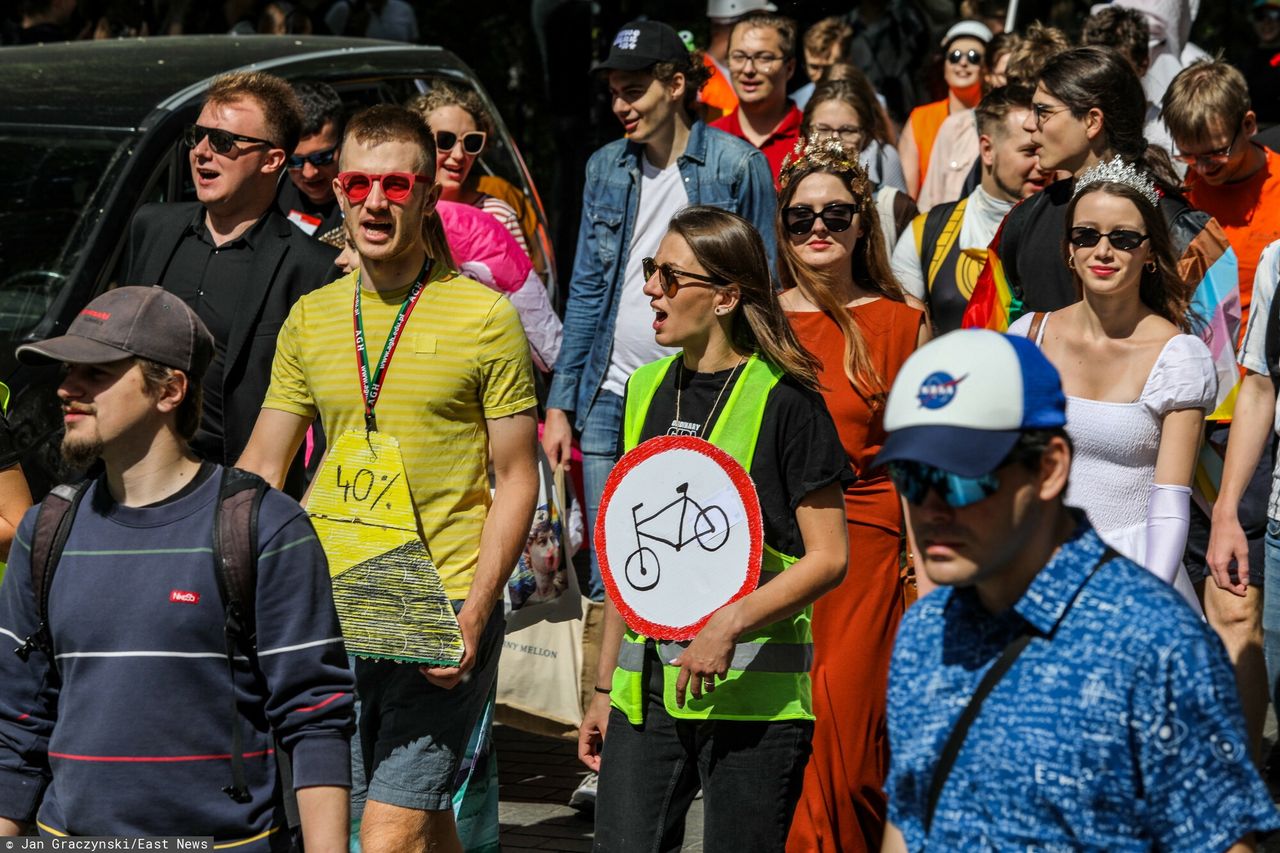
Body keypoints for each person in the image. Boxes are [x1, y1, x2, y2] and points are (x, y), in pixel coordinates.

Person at [236, 104, 539, 853]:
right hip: (332, 605)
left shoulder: (484, 317)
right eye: (359, 183)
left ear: (430, 193)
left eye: (397, 185)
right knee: (391, 827)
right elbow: (262, 468)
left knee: (385, 833)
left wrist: (474, 613)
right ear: (337, 190)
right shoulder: (310, 318)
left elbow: (517, 478)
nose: (375, 202)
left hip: (438, 606)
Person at [875, 328, 1280, 851]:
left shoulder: (1156, 646)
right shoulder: (926, 632)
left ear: (1049, 468)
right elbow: (908, 824)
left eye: (962, 477)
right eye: (912, 476)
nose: (931, 508)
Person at [0, 286, 354, 846]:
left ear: (169, 390)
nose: (67, 389)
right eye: (68, 372)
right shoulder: (46, 531)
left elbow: (315, 718)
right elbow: (15, 720)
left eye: (96, 374)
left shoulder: (264, 527)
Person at [578, 205, 851, 852]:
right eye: (651, 271)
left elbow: (830, 556)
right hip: (643, 698)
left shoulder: (788, 399)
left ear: (726, 295)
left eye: (670, 276)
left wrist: (728, 623)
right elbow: (627, 552)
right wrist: (601, 688)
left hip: (752, 704)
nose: (650, 288)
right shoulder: (643, 389)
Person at [542, 20, 775, 603]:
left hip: (696, 386)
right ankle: (608, 694)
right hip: (609, 386)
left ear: (674, 85)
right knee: (606, 570)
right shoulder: (604, 167)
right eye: (614, 92)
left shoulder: (737, 165)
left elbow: (761, 283)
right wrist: (561, 402)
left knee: (684, 558)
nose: (620, 105)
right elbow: (588, 286)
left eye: (633, 90)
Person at [772, 136, 926, 853]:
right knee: (783, 734)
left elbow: (920, 464)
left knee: (848, 738)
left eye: (835, 214)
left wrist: (926, 573)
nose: (819, 230)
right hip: (771, 547)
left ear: (863, 222)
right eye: (800, 218)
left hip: (866, 542)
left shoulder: (903, 322)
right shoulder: (757, 321)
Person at [1008, 158, 1213, 609]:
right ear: (1069, 248)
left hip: (1133, 573)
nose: (1103, 251)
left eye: (1123, 239)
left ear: (1149, 253)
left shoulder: (1178, 357)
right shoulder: (1027, 338)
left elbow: (1170, 502)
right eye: (1086, 236)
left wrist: (1148, 602)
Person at [124, 71, 338, 495]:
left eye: (222, 141)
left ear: (272, 159)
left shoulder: (314, 268)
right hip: (133, 477)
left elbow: (329, 411)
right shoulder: (152, 227)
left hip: (237, 495)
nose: (202, 152)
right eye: (198, 136)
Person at [1163, 58, 1280, 759]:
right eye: (1188, 151)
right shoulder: (1180, 195)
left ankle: (1247, 764)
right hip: (1195, 416)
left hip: (1262, 415)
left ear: (1248, 125)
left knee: (1243, 597)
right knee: (1208, 595)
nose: (1203, 164)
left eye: (1216, 148)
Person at [893, 85, 1051, 334]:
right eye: (1030, 151)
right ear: (988, 150)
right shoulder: (926, 232)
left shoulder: (1069, 230)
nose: (1043, 163)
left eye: (1045, 148)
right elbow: (902, 334)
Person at [408, 83, 531, 257]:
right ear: (418, 143)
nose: (459, 154)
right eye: (445, 140)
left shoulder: (498, 216)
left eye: (471, 142)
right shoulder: (400, 211)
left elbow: (522, 282)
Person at [802, 81, 916, 241]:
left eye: (847, 131)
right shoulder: (791, 201)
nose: (834, 140)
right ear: (806, 132)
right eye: (822, 129)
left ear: (866, 136)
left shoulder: (895, 207)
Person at [897, 21, 991, 199]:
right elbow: (907, 193)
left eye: (974, 57)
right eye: (955, 56)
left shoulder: (995, 119)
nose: (963, 63)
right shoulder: (920, 118)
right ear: (944, 65)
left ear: (986, 69)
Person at [710, 13, 802, 185]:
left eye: (763, 58)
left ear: (789, 68)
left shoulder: (813, 138)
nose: (748, 69)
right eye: (738, 56)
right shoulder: (708, 142)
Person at [278, 80, 346, 242]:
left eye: (322, 157)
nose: (309, 173)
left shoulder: (369, 202)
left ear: (344, 144)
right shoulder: (268, 189)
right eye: (294, 161)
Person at [792, 16, 853, 110]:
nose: (820, 76)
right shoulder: (795, 105)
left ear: (847, 62)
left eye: (828, 68)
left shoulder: (873, 105)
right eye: (814, 67)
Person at [1245, 0, 1280, 125]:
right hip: (1252, 135)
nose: (1267, 22)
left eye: (1275, 14)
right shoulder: (1244, 59)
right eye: (1260, 15)